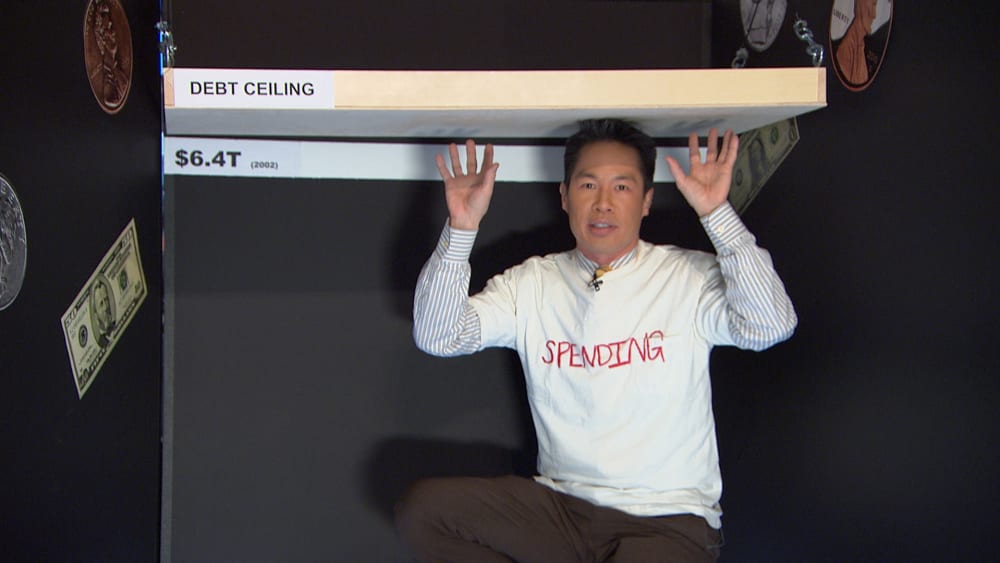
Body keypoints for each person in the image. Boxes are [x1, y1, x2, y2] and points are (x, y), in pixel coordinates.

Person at [396, 119, 797, 562]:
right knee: (425, 513)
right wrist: (461, 227)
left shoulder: (687, 276)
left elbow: (770, 325)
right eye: (588, 185)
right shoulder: (533, 282)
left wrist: (717, 214)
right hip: (562, 511)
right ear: (565, 197)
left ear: (646, 202)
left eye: (622, 187)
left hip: (666, 519)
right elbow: (439, 335)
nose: (603, 203)